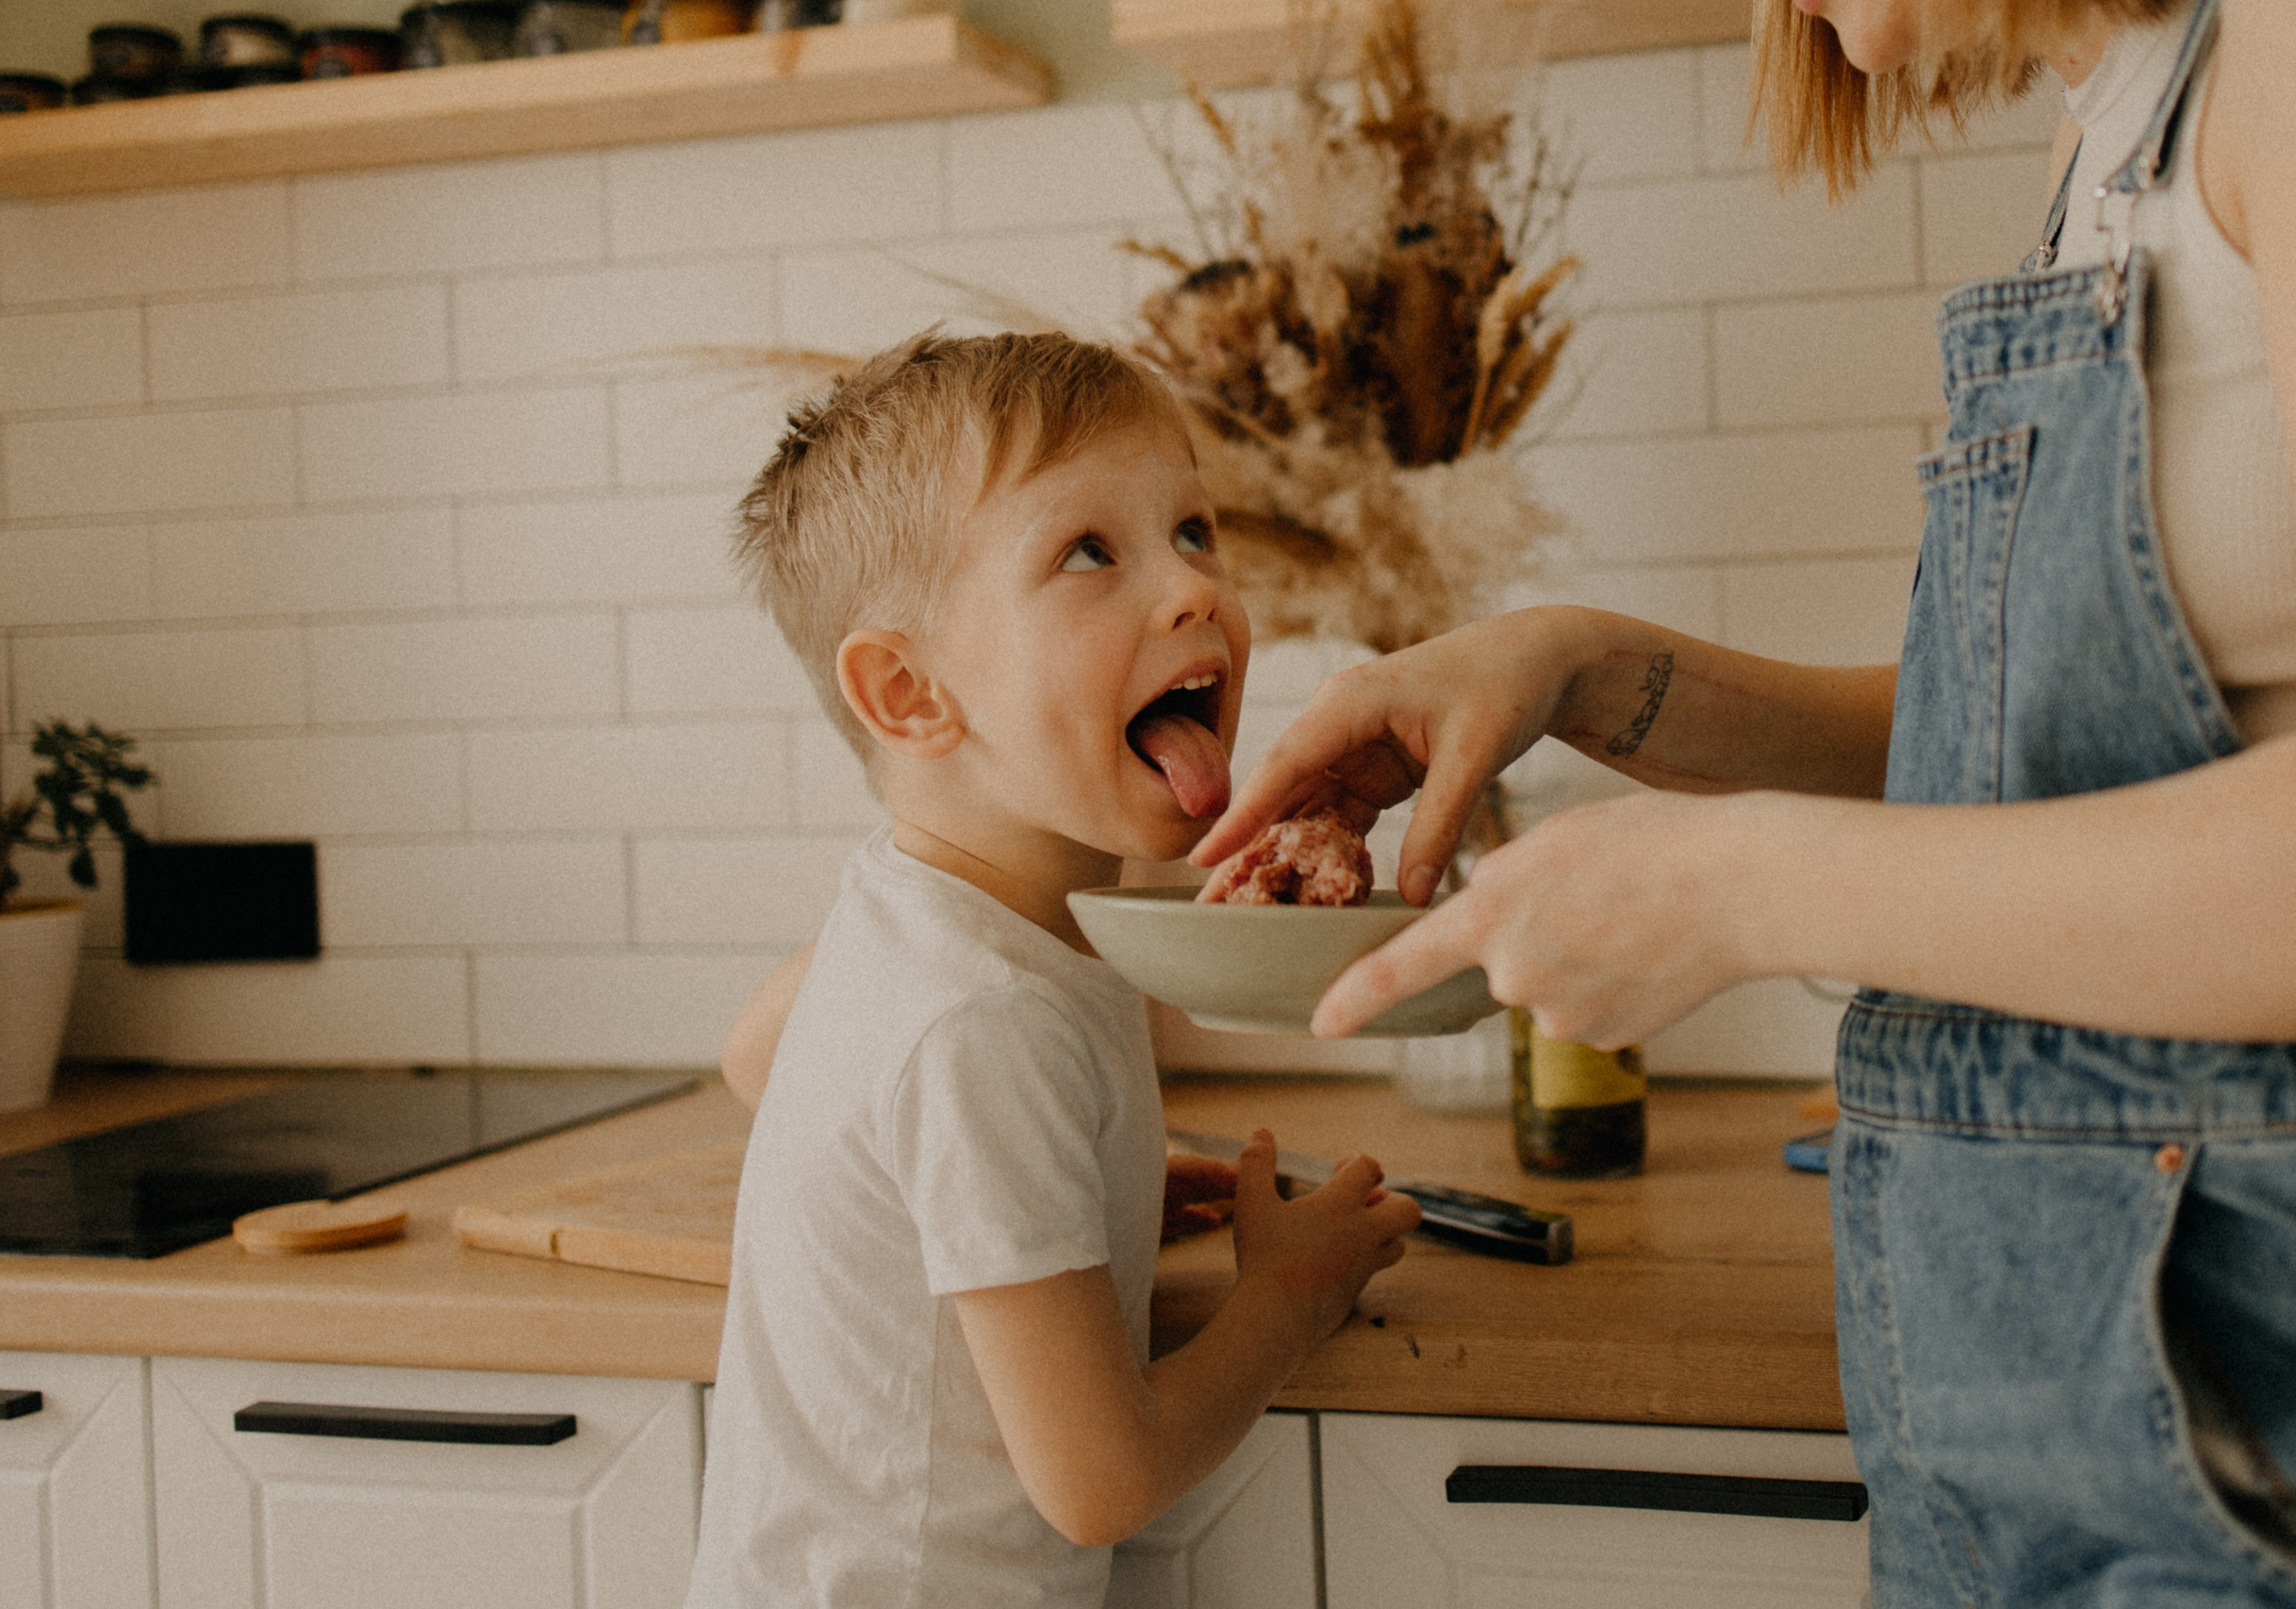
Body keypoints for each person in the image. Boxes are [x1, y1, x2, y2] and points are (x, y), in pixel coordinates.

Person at [1189, 0, 2296, 1602]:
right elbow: (2025, 741)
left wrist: (1742, 889)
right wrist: (1575, 668)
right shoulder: (2103, 137)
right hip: (2021, 1384)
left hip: (2239, 1403)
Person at [685, 331, 1420, 1607]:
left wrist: (1052, 1186)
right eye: (1092, 552)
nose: (1193, 590)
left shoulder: (913, 909)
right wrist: (1287, 1299)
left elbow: (760, 1057)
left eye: (1193, 530)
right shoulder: (986, 1017)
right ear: (911, 693)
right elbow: (1102, 1476)